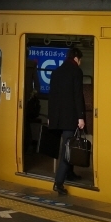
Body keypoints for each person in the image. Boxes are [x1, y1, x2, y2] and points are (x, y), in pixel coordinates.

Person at [47, 46, 85, 195]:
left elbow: (52, 96)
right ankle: (59, 183)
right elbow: (78, 95)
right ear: (76, 58)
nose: (80, 62)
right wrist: (81, 117)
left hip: (57, 118)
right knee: (67, 150)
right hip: (70, 118)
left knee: (69, 146)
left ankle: (70, 173)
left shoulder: (56, 72)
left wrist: (50, 117)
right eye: (80, 60)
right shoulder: (76, 71)